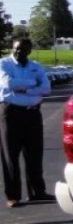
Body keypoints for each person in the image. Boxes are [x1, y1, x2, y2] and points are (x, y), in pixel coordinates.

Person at [0, 38, 53, 208]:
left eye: (23, 49)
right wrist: (32, 84)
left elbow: (46, 88)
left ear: (29, 51)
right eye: (16, 49)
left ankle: (38, 192)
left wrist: (24, 88)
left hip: (32, 114)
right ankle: (13, 196)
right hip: (11, 113)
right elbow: (8, 83)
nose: (19, 52)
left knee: (34, 154)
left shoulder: (36, 66)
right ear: (12, 49)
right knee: (11, 156)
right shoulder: (4, 64)